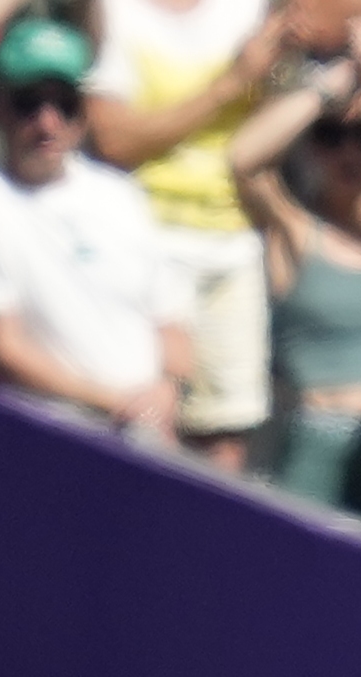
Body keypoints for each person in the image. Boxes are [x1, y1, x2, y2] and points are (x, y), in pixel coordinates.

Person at [0, 21, 192, 448]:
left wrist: (166, 391)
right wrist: (115, 402)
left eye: (66, 105)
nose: (47, 123)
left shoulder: (121, 194)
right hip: (42, 437)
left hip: (144, 437)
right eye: (28, 104)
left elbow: (173, 321)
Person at [84, 0, 281, 469]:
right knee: (143, 422)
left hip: (235, 248)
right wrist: (232, 83)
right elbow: (115, 140)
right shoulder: (117, 11)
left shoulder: (253, 9)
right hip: (147, 242)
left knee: (226, 436)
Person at [227, 57, 361, 508]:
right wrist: (332, 85)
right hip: (312, 441)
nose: (349, 152)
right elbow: (243, 159)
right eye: (330, 136)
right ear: (310, 147)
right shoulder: (295, 229)